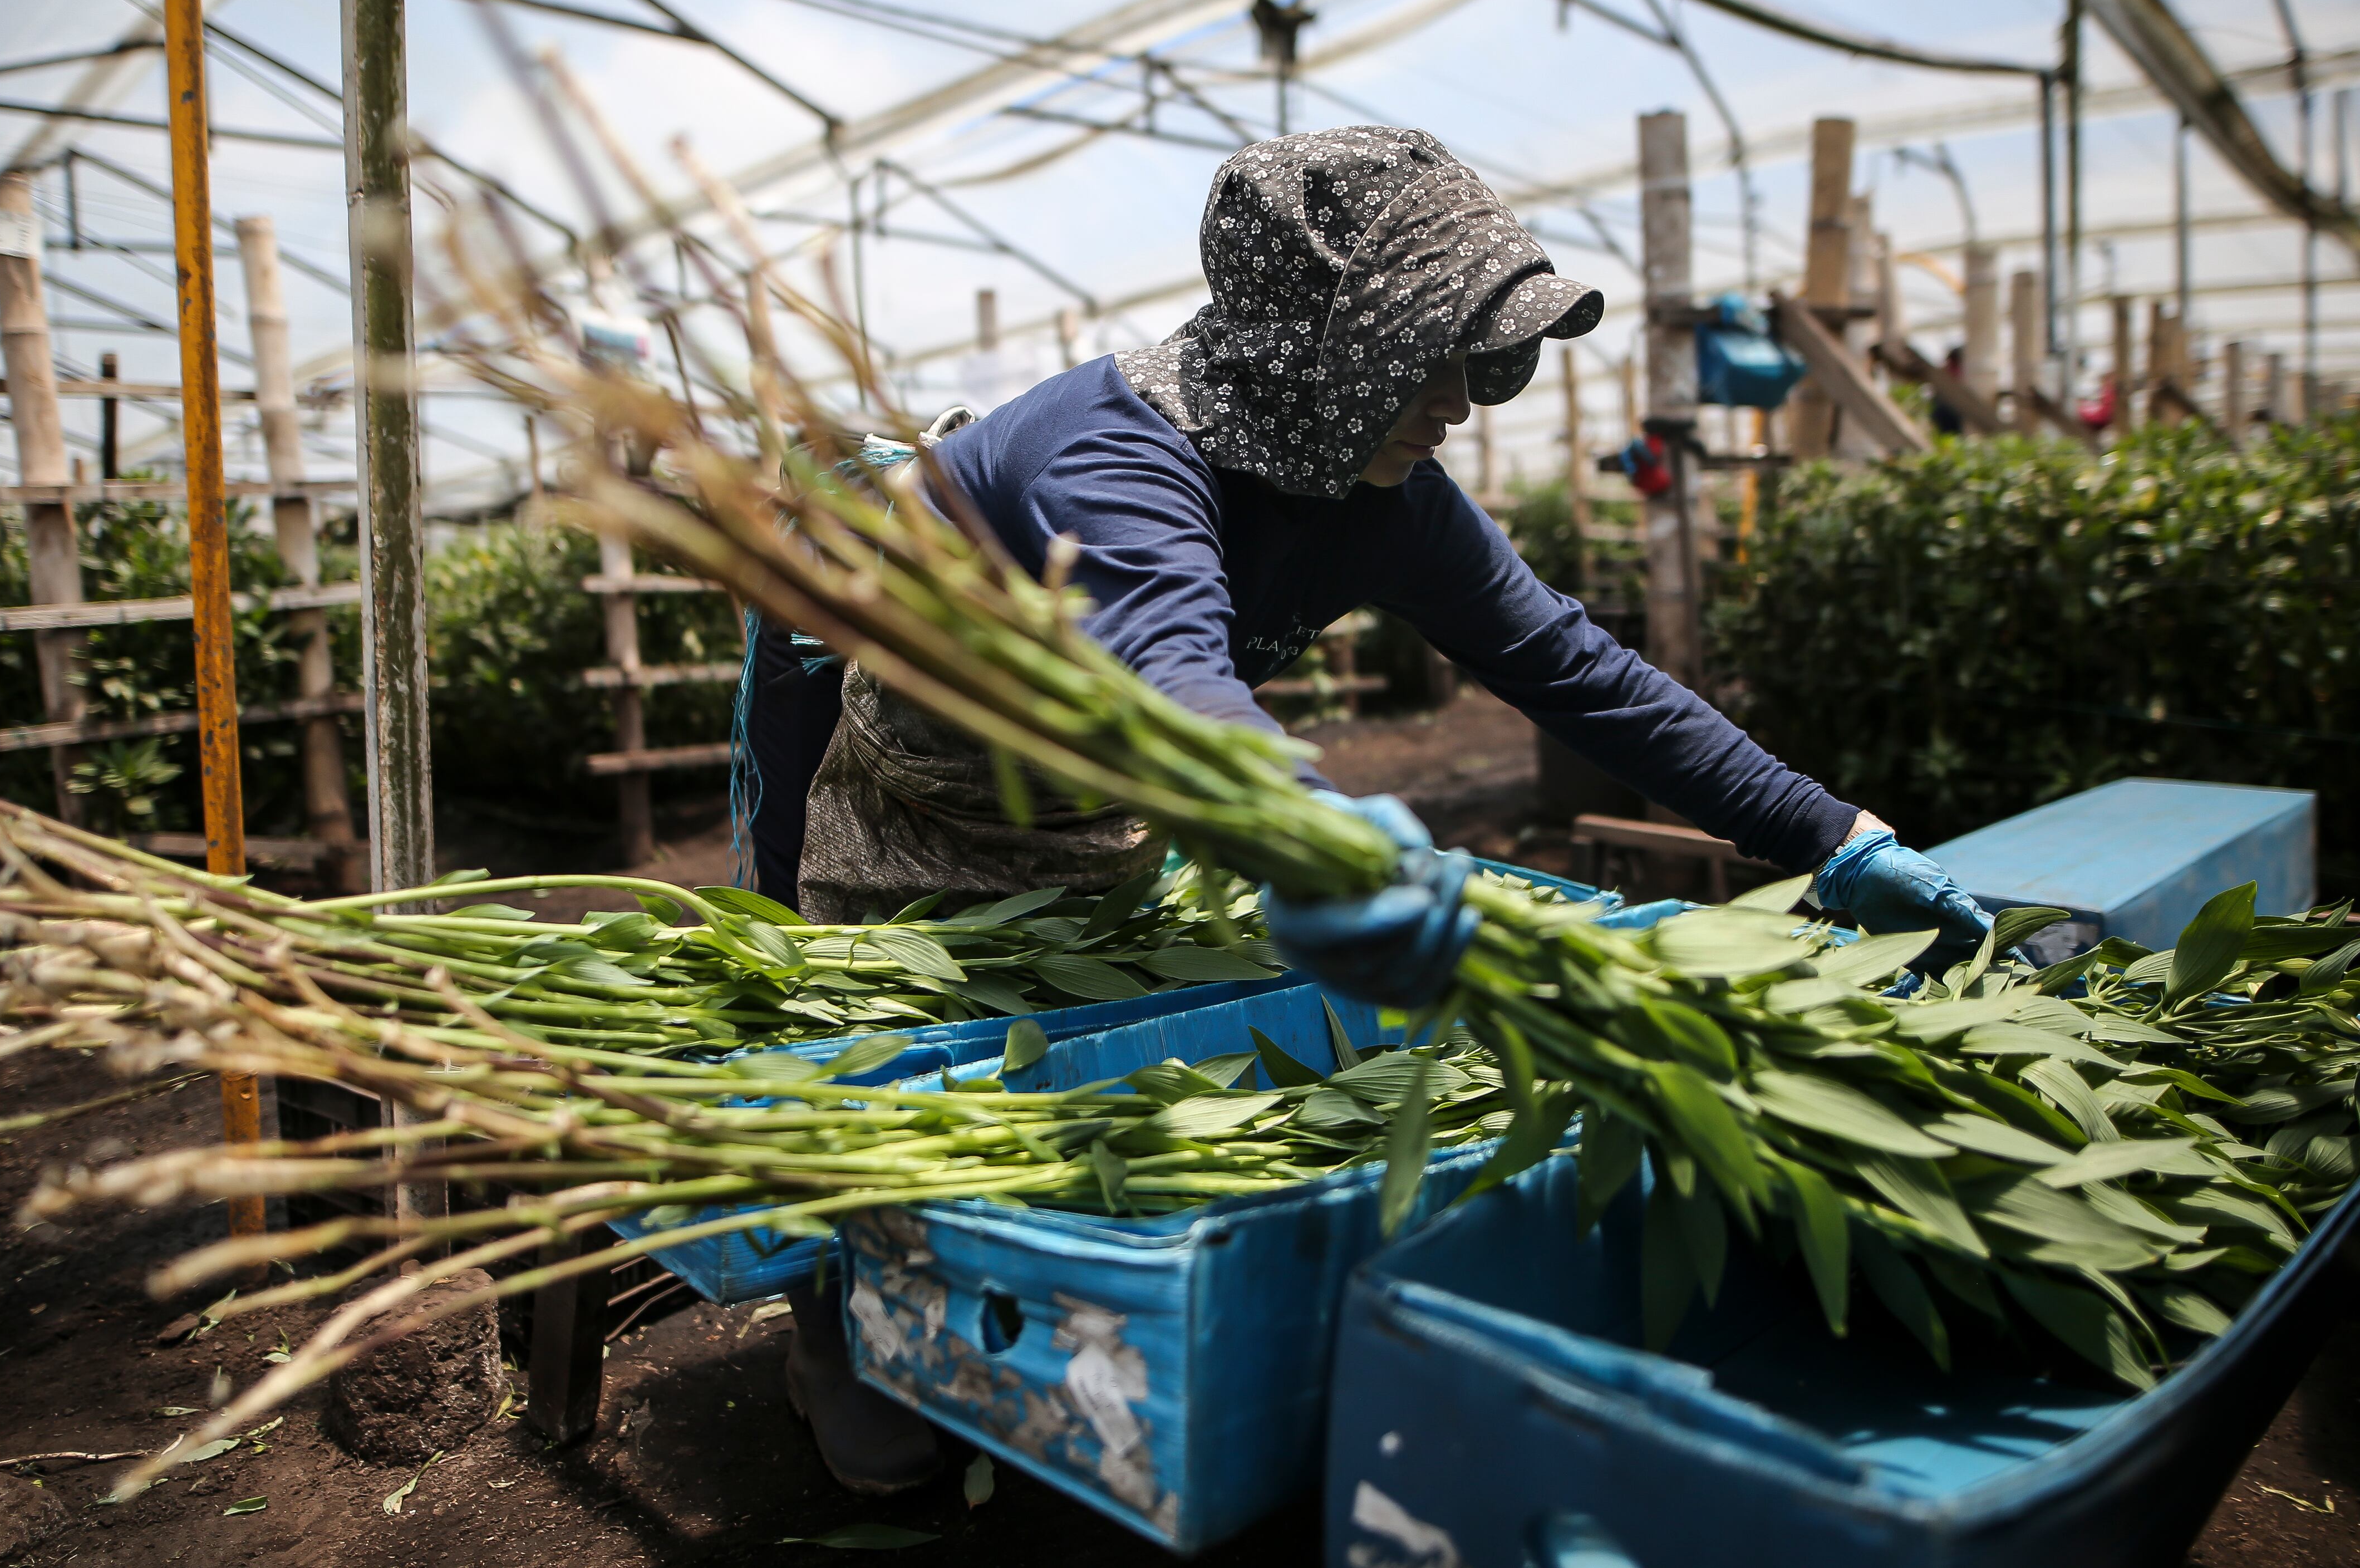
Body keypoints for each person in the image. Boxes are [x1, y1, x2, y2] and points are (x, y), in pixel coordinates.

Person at [736, 126, 1995, 1493]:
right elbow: (1183, 693)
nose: (1458, 399)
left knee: (1047, 1052)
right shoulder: (1111, 458)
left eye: (1475, 355)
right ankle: (822, 1333)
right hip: (917, 784)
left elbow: (1575, 666)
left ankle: (1003, 1315)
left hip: (1094, 796)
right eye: (1428, 351)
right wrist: (1320, 833)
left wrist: (1831, 831)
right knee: (883, 1042)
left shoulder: (1378, 487)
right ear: (1312, 343)